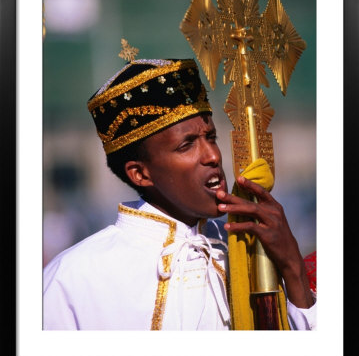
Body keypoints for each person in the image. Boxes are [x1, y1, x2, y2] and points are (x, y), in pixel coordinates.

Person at [43, 56, 316, 330]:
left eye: (211, 138)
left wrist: (292, 267)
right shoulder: (75, 278)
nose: (212, 156)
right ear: (140, 173)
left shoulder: (250, 249)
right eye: (186, 145)